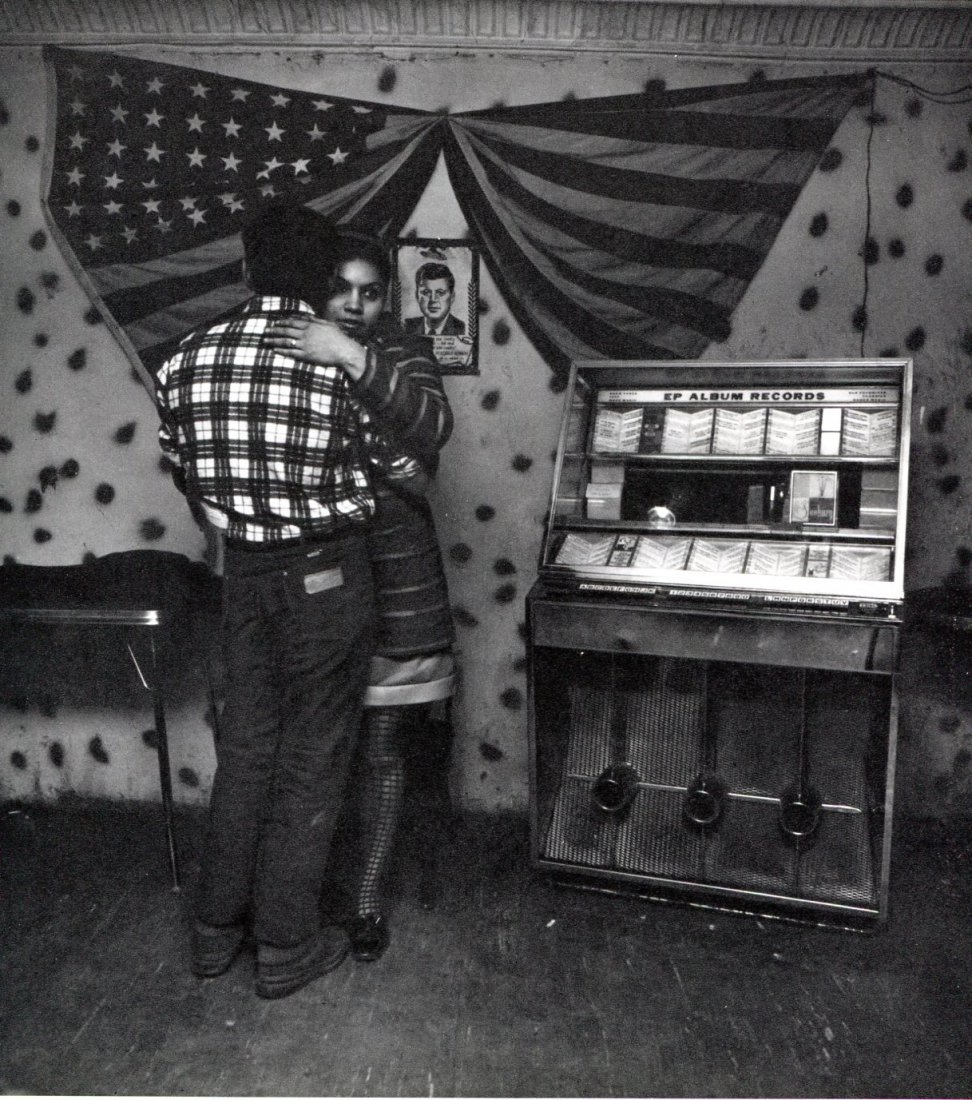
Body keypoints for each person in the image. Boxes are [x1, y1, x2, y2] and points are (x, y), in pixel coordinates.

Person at [155, 202, 423, 999]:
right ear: (318, 279)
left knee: (245, 750)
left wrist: (231, 508)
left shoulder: (183, 360)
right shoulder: (336, 359)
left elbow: (180, 466)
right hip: (326, 576)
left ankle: (212, 937)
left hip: (242, 574)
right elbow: (407, 454)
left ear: (244, 268)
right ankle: (284, 944)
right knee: (312, 759)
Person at [263, 227, 455, 962]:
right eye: (341, 290)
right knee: (311, 743)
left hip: (397, 575)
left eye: (369, 292)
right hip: (312, 570)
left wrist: (348, 358)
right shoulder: (284, 338)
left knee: (380, 747)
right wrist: (397, 466)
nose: (353, 305)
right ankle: (295, 902)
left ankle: (368, 900)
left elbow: (434, 427)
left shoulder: (402, 352)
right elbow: (276, 456)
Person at [403, 261, 466, 337]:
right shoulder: (407, 327)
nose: (433, 299)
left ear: (452, 297)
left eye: (440, 293)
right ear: (417, 296)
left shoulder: (463, 328)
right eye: (426, 292)